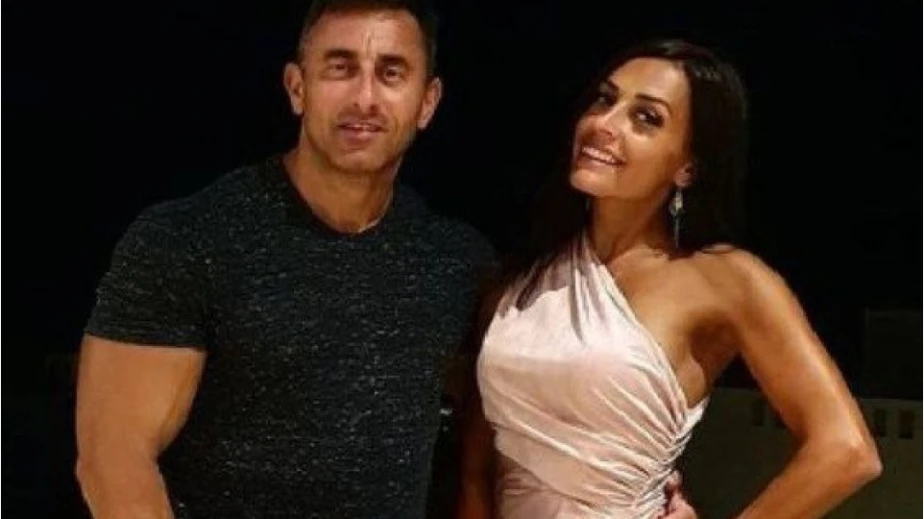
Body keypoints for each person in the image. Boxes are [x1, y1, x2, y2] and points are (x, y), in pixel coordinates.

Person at [74, 1, 497, 517]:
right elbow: (113, 460)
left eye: (391, 73)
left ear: (427, 102)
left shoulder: (456, 261)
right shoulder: (188, 239)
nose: (364, 97)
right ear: (297, 88)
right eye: (340, 68)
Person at [456, 38, 882, 519]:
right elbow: (476, 471)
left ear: (687, 166)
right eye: (605, 99)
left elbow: (846, 450)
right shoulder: (521, 281)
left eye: (646, 118)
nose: (605, 124)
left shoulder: (724, 279)